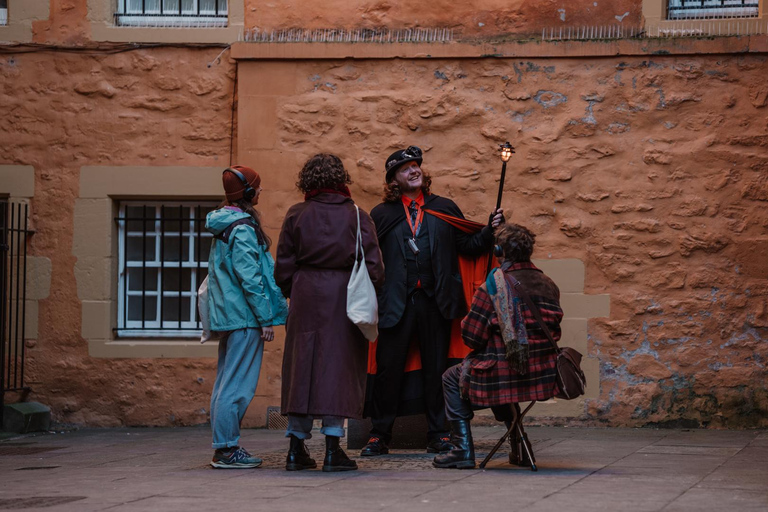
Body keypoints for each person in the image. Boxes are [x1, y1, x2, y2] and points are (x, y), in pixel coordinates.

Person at [362, 145, 504, 456]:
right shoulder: (382, 214)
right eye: (405, 169)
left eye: (416, 166)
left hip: (435, 301)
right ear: (393, 180)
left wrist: (489, 230)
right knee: (388, 370)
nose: (413, 171)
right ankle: (379, 434)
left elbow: (467, 245)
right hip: (395, 303)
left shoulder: (445, 207)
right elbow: (369, 258)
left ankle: (438, 433)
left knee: (437, 371)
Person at [275, 153, 385, 472]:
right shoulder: (356, 215)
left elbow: (283, 267)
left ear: (307, 180)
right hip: (344, 295)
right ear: (341, 179)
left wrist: (294, 289)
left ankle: (296, 448)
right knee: (339, 368)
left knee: (301, 367)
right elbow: (375, 267)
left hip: (306, 293)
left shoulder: (296, 214)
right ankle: (333, 449)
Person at [433, 223, 563, 469]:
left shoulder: (493, 286)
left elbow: (471, 337)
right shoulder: (548, 283)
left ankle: (461, 450)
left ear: (498, 249)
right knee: (499, 369)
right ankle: (520, 449)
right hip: (544, 372)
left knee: (453, 377)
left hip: (504, 375)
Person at [206, 165, 288, 469]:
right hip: (244, 318)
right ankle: (226, 450)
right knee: (237, 386)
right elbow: (250, 278)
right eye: (258, 186)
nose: (262, 191)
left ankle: (224, 447)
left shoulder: (226, 223)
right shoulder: (240, 227)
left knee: (226, 383)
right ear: (249, 193)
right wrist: (266, 317)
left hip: (233, 316)